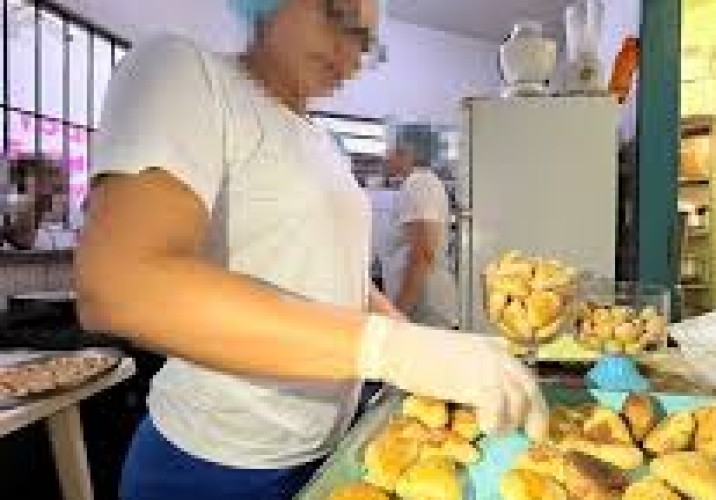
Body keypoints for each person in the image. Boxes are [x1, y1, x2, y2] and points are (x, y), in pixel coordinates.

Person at [73, 0, 547, 499]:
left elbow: (337, 278)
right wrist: (394, 351)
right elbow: (120, 283)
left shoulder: (322, 145)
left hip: (329, 452)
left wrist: (421, 349)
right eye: (334, 15)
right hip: (214, 465)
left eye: (363, 41)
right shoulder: (188, 73)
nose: (349, 50)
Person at [382, 145, 459, 327]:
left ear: (406, 155)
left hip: (423, 309)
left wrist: (396, 314)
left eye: (388, 157)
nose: (384, 162)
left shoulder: (419, 183)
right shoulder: (416, 184)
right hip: (419, 308)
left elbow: (423, 253)